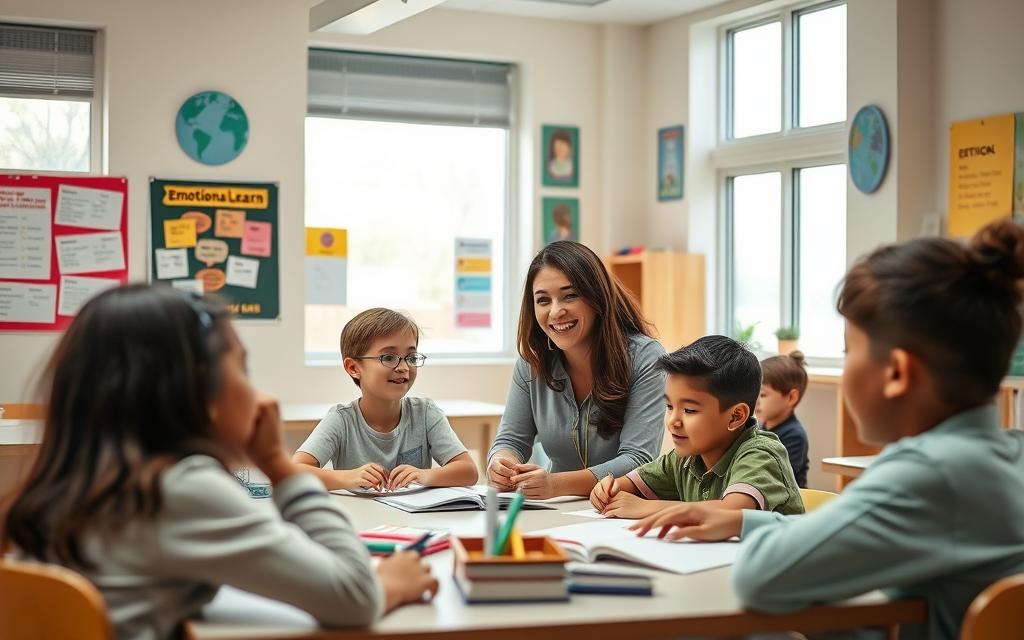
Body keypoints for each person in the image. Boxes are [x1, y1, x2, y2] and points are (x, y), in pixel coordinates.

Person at [630, 219, 1024, 640]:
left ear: (895, 373)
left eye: (848, 350)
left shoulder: (926, 475)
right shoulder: (1006, 455)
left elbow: (759, 579)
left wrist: (751, 530)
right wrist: (744, 522)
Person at [1, 285, 437, 640]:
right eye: (243, 369)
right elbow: (355, 598)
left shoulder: (79, 481)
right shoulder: (181, 489)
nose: (256, 389)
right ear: (197, 389)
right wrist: (277, 466)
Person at [486, 241, 666, 499]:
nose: (556, 311)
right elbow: (511, 441)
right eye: (543, 300)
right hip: (558, 509)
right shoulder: (531, 364)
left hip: (621, 508)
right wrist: (500, 463)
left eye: (570, 295)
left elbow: (638, 459)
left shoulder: (646, 358)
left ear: (597, 298)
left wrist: (556, 485)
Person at [589, 336, 804, 519]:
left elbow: (733, 512)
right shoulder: (684, 459)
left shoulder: (761, 454)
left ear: (735, 417)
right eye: (669, 406)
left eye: (689, 410)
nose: (673, 420)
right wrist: (606, 490)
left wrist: (646, 507)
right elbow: (625, 485)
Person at [293, 308, 478, 491]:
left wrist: (423, 475)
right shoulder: (342, 419)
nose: (404, 367)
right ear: (353, 368)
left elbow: (468, 471)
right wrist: (347, 478)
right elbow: (294, 472)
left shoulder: (425, 413)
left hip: (412, 519)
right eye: (389, 357)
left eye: (411, 357)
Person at [755, 351, 810, 488]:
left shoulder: (794, 435)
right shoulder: (761, 429)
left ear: (791, 398)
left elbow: (775, 478)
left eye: (762, 394)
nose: (756, 401)